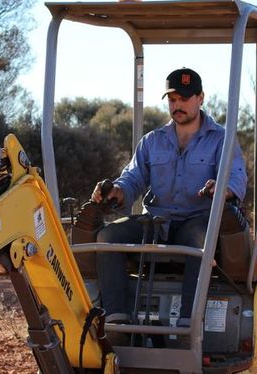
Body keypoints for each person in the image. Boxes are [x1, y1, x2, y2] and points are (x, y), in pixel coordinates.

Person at [91, 67, 247, 327]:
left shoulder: (221, 139)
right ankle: (117, 321)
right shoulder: (152, 141)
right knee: (108, 237)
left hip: (195, 220)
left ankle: (188, 324)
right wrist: (116, 191)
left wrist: (221, 188)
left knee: (199, 238)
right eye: (173, 100)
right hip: (155, 222)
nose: (178, 105)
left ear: (201, 98)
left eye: (184, 99)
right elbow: (132, 179)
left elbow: (235, 178)